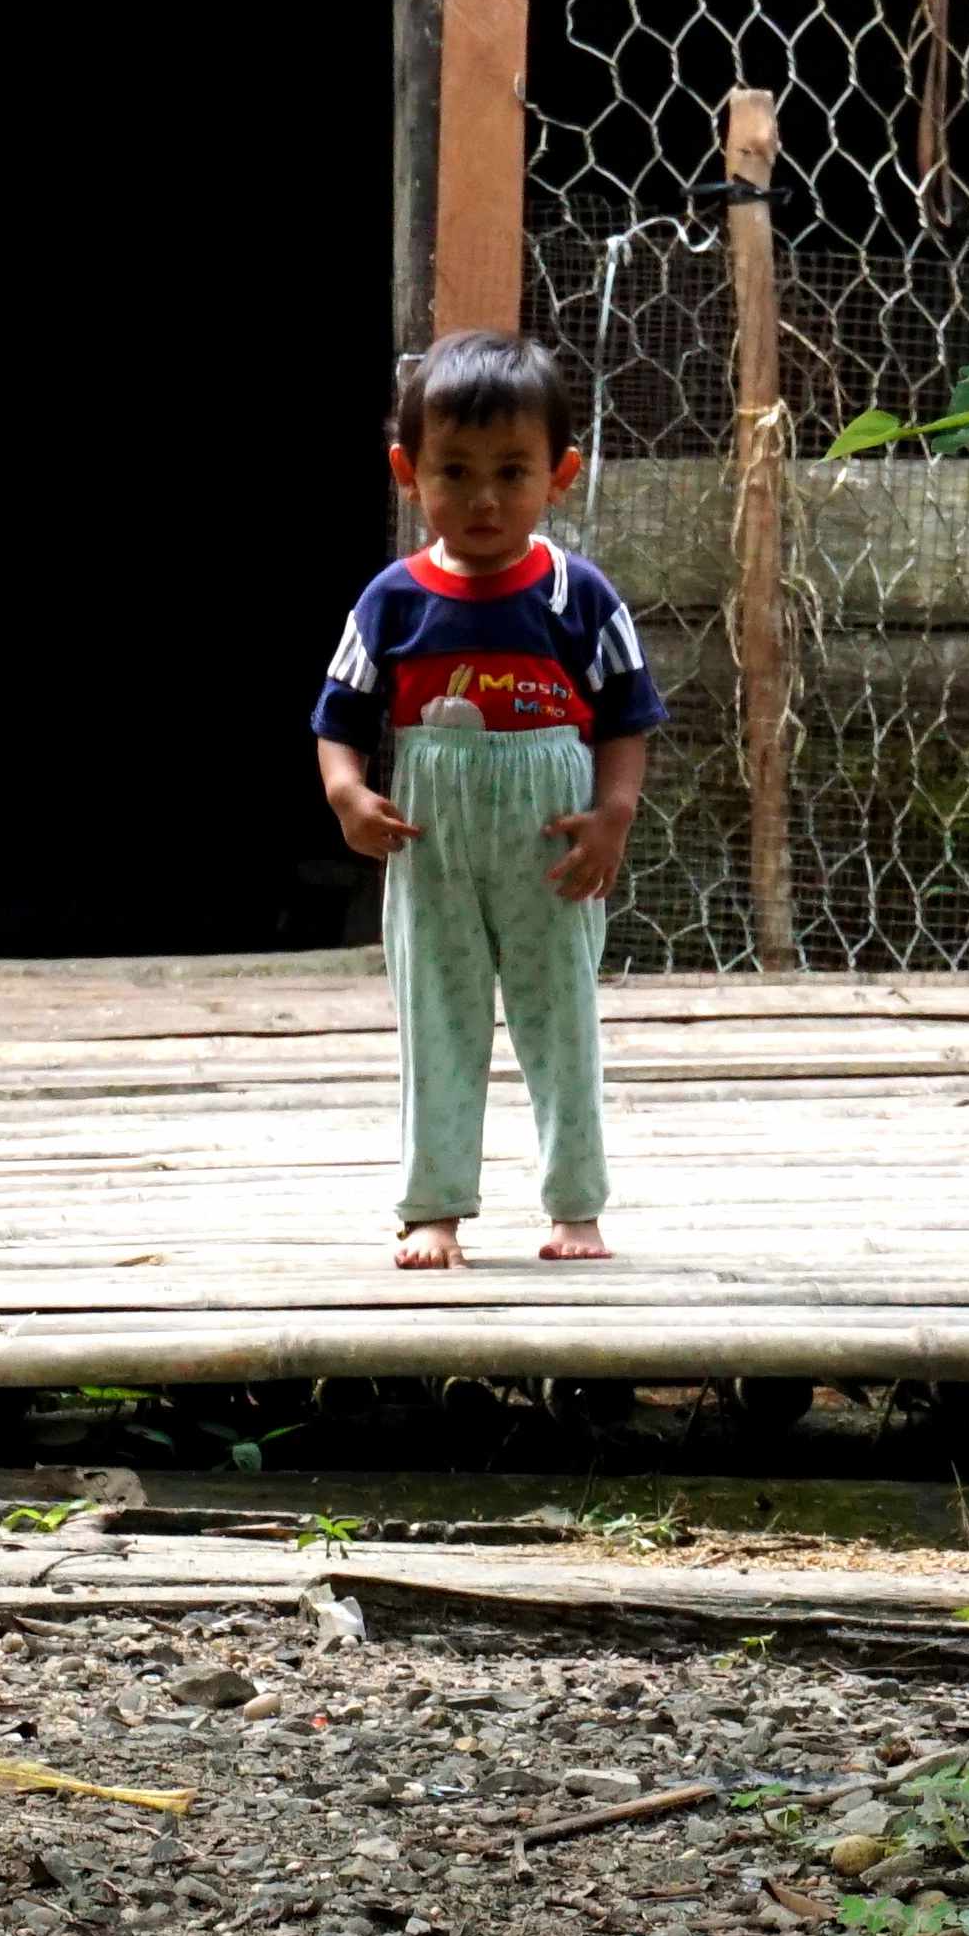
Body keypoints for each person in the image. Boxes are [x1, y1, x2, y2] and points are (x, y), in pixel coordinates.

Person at [311, 329, 660, 1270]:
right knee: (437, 1022)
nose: (482, 498)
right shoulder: (390, 602)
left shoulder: (578, 598)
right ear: (405, 471)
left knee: (563, 1025)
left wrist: (611, 815)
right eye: (454, 471)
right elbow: (337, 717)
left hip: (552, 852)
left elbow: (627, 715)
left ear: (560, 473)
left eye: (511, 470)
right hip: (431, 852)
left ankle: (576, 1208)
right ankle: (432, 1210)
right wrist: (348, 793)